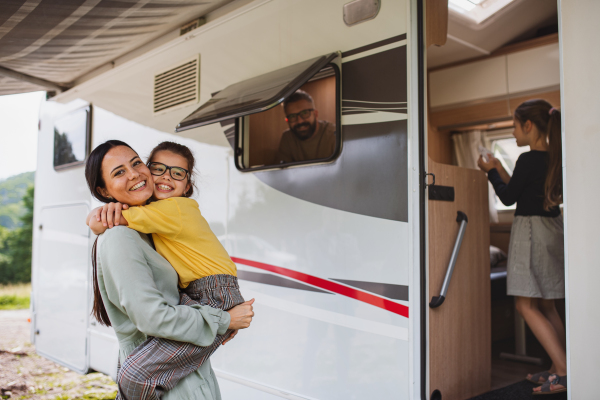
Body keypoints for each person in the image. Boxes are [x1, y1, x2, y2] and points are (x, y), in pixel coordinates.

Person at [84, 140, 255, 400]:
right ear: (103, 190)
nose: (133, 174)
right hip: (171, 380)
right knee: (133, 376)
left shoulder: (154, 222)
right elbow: (153, 316)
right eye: (118, 172)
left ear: (188, 185)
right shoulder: (121, 237)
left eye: (136, 163)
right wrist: (224, 322)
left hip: (189, 370)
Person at [477, 99, 566, 395]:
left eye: (515, 127)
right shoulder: (554, 157)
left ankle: (564, 371)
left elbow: (507, 197)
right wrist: (500, 166)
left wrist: (490, 171)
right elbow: (521, 188)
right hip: (552, 230)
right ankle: (559, 366)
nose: (514, 133)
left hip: (530, 231)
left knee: (524, 304)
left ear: (529, 126)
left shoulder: (528, 160)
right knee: (546, 303)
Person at [277, 89, 336, 163]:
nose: (300, 121)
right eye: (292, 116)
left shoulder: (333, 134)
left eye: (305, 113)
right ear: (287, 120)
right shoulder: (287, 138)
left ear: (315, 114)